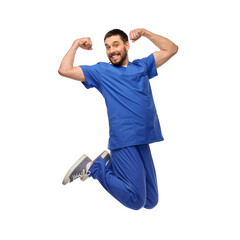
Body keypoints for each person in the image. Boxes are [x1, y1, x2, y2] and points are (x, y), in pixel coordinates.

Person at [58, 28, 178, 210]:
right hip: (124, 140)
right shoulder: (102, 71)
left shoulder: (142, 66)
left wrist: (146, 33)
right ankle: (94, 167)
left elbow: (171, 49)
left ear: (127, 45)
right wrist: (76, 44)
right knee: (136, 201)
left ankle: (108, 163)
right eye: (107, 47)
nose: (112, 50)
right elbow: (64, 70)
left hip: (143, 139)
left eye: (116, 45)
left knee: (151, 202)